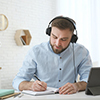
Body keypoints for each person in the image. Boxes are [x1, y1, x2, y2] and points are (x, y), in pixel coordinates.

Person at [12, 16, 92, 95]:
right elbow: (17, 81)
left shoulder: (81, 52)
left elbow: (89, 80)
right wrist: (31, 85)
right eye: (54, 37)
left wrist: (77, 86)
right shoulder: (35, 52)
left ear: (72, 38)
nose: (57, 43)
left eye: (63, 39)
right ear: (49, 33)